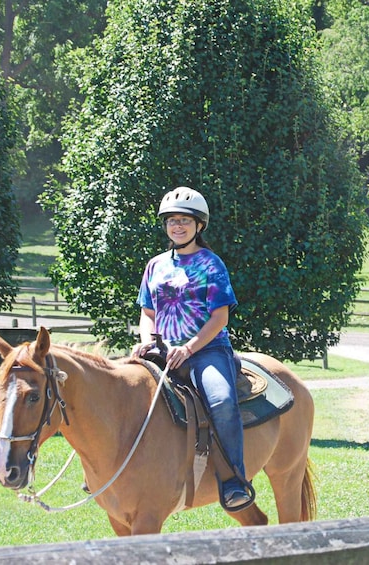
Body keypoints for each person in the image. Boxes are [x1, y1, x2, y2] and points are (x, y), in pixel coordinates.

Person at [133, 186, 253, 511]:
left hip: (206, 351)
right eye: (172, 221)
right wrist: (148, 340)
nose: (177, 226)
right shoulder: (155, 265)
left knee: (223, 400)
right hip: (162, 351)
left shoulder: (212, 265)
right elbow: (147, 312)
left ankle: (234, 481)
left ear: (199, 225)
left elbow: (220, 317)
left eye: (185, 220)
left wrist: (188, 348)